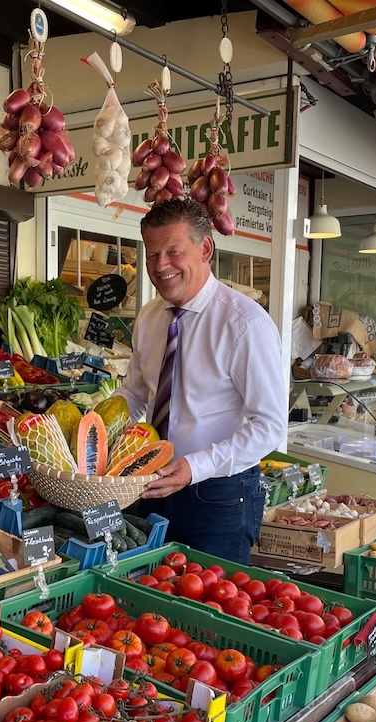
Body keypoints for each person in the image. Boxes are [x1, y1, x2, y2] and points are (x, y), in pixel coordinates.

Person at [116, 198, 287, 563]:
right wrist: (96, 430)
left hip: (217, 495)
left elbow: (269, 425)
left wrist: (197, 466)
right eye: (152, 255)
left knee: (212, 606)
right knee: (143, 600)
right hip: (146, 483)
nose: (160, 266)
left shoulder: (245, 324)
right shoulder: (149, 317)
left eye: (173, 251)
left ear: (205, 248)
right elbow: (133, 394)